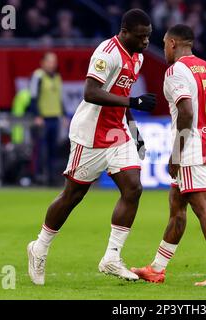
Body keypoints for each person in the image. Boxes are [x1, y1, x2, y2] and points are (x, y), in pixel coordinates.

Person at [27, 9, 156, 285]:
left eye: (148, 36)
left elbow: (121, 97)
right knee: (72, 195)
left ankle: (111, 257)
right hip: (89, 134)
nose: (146, 42)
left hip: (117, 132)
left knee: (133, 187)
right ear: (125, 32)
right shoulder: (106, 52)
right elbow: (91, 92)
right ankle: (40, 247)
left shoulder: (139, 57)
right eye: (141, 36)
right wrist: (134, 102)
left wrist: (135, 132)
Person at [131, 24, 206, 286]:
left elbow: (186, 114)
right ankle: (157, 268)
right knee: (177, 207)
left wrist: (176, 155)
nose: (163, 48)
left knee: (202, 206)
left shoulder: (176, 71)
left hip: (191, 148)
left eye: (164, 43)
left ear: (173, 43)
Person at [28, 52, 65, 185]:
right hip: (43, 120)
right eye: (49, 61)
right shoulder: (38, 76)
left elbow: (60, 99)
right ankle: (37, 177)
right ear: (42, 63)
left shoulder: (57, 77)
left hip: (54, 118)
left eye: (54, 61)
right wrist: (37, 115)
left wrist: (63, 115)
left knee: (53, 150)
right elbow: (33, 97)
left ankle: (51, 178)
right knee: (40, 150)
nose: (52, 64)